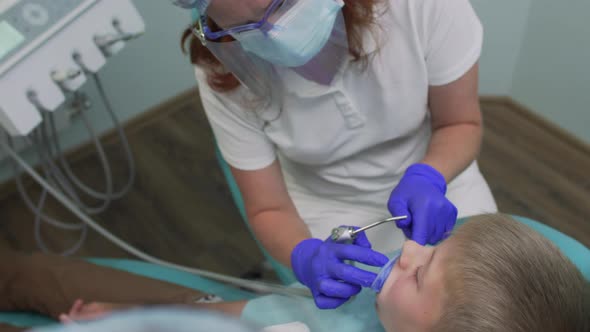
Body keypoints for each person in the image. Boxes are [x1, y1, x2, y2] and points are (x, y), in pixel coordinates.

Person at [174, 0, 498, 308]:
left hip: (439, 179)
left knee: (483, 291)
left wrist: (429, 175)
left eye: (281, 5)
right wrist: (306, 256)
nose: (273, 34)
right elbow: (269, 207)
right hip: (324, 208)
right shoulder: (222, 69)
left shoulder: (417, 8)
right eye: (245, 28)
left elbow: (460, 123)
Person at [1, 214, 588, 331]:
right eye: (432, 247)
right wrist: (132, 314)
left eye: (420, 274)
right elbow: (243, 311)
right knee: (32, 274)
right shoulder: (367, 308)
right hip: (209, 313)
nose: (406, 252)